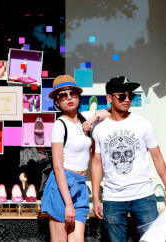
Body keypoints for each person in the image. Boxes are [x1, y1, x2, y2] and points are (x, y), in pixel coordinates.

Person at [91, 76, 166, 241]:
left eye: (131, 96)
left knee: (152, 239)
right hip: (113, 198)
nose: (127, 99)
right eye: (122, 96)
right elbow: (96, 164)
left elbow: (157, 158)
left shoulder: (144, 124)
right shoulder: (99, 129)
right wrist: (95, 199)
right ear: (109, 98)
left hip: (143, 195)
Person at [41, 75, 110, 242]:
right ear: (57, 102)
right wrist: (68, 204)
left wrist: (92, 119)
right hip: (62, 185)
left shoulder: (84, 117)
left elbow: (111, 112)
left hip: (79, 186)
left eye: (73, 93)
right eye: (63, 95)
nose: (69, 97)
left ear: (78, 97)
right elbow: (57, 167)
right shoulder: (60, 125)